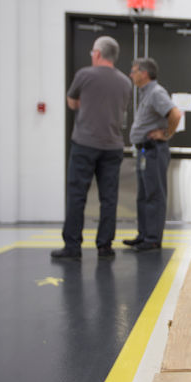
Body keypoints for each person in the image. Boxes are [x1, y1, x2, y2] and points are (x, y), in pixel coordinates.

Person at [52, 36, 132, 260]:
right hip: (113, 146)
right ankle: (105, 246)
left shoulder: (84, 75)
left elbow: (72, 102)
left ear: (97, 54)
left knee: (77, 195)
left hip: (85, 144)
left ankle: (72, 246)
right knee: (109, 197)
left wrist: (86, 104)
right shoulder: (125, 82)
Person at [124, 58, 182, 252]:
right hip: (144, 150)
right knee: (143, 195)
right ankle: (143, 235)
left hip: (154, 150)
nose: (131, 75)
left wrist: (166, 134)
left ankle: (153, 239)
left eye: (133, 71)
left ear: (144, 73)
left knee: (154, 195)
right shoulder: (145, 93)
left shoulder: (156, 93)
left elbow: (175, 114)